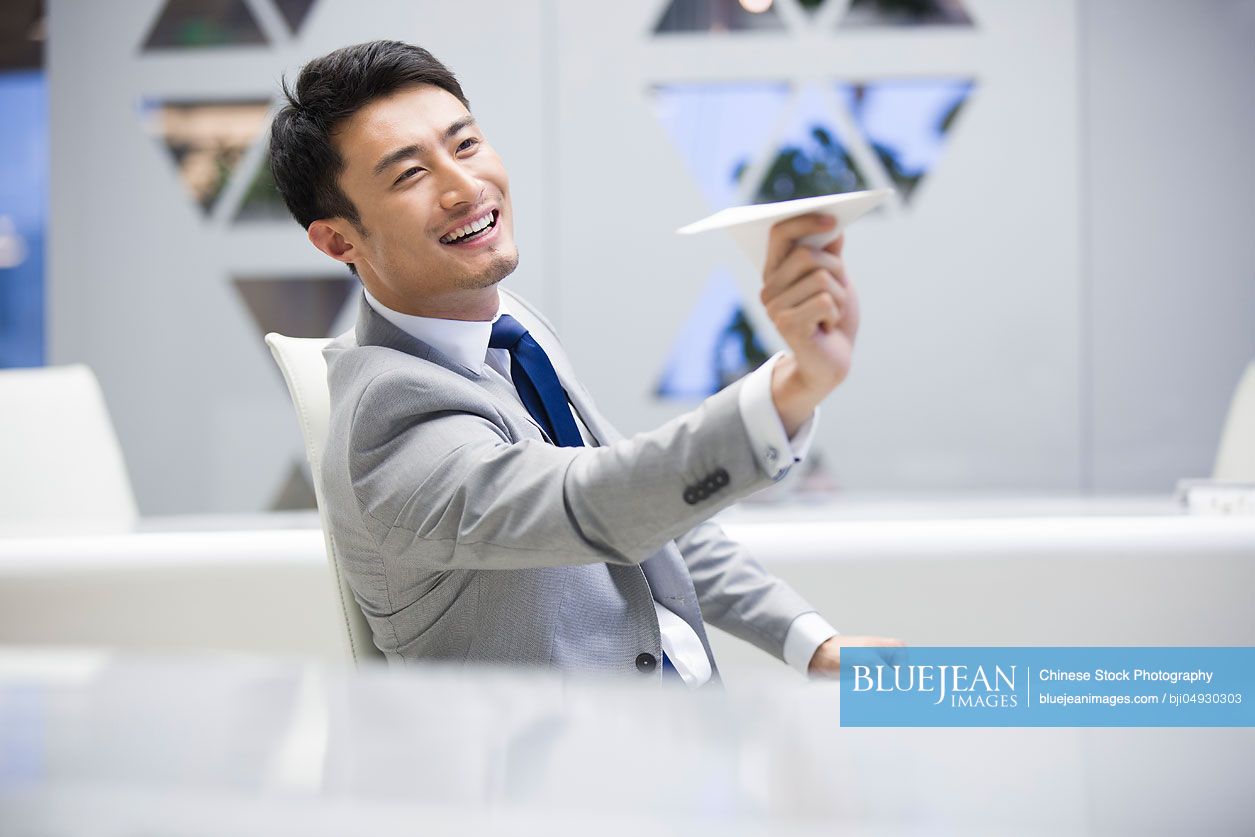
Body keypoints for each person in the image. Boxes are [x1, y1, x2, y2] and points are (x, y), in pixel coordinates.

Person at [269, 40, 901, 685]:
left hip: (697, 738)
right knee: (972, 733)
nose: (465, 186)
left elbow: (659, 518)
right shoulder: (388, 420)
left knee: (975, 699)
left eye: (465, 145)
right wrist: (795, 386)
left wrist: (811, 643)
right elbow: (597, 501)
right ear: (337, 239)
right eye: (410, 174)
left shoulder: (510, 328)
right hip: (573, 773)